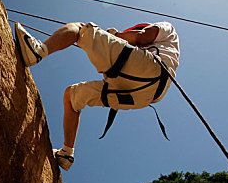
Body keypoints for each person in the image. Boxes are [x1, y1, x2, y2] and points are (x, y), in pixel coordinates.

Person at [15, 21, 180, 171]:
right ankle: (66, 153)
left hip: (150, 69)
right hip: (143, 97)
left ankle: (37, 51)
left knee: (80, 28)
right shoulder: (168, 49)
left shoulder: (167, 28)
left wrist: (116, 36)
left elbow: (141, 37)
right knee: (72, 96)